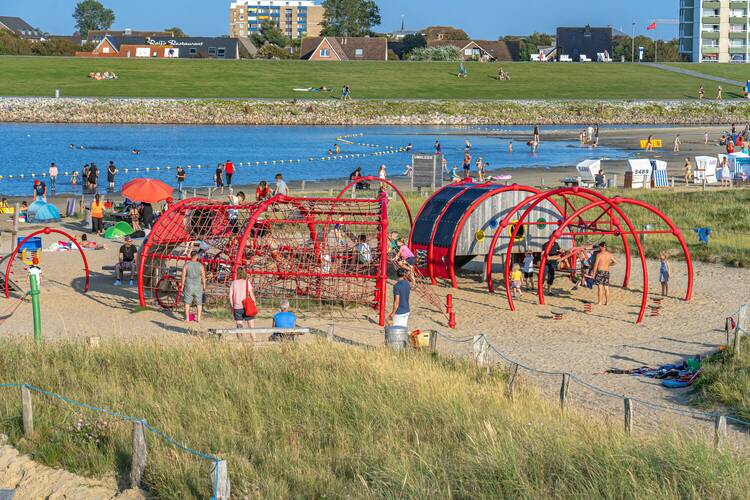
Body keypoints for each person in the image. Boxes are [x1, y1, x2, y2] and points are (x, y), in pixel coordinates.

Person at [181, 251, 206, 323]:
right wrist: (204, 285)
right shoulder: (200, 265)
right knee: (199, 303)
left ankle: (187, 318)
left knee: (187, 303)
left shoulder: (186, 265)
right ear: (196, 256)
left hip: (188, 285)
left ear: (190, 256)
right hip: (198, 286)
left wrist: (182, 285)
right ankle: (198, 319)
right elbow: (203, 277)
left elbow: (183, 276)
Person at [591, 242, 616, 306]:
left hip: (600, 272)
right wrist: (609, 264)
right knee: (606, 287)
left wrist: (593, 274)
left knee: (600, 287)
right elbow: (615, 262)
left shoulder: (599, 255)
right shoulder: (609, 254)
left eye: (600, 247)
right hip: (606, 272)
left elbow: (596, 265)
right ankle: (607, 302)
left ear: (601, 247)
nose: (599, 248)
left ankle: (599, 302)